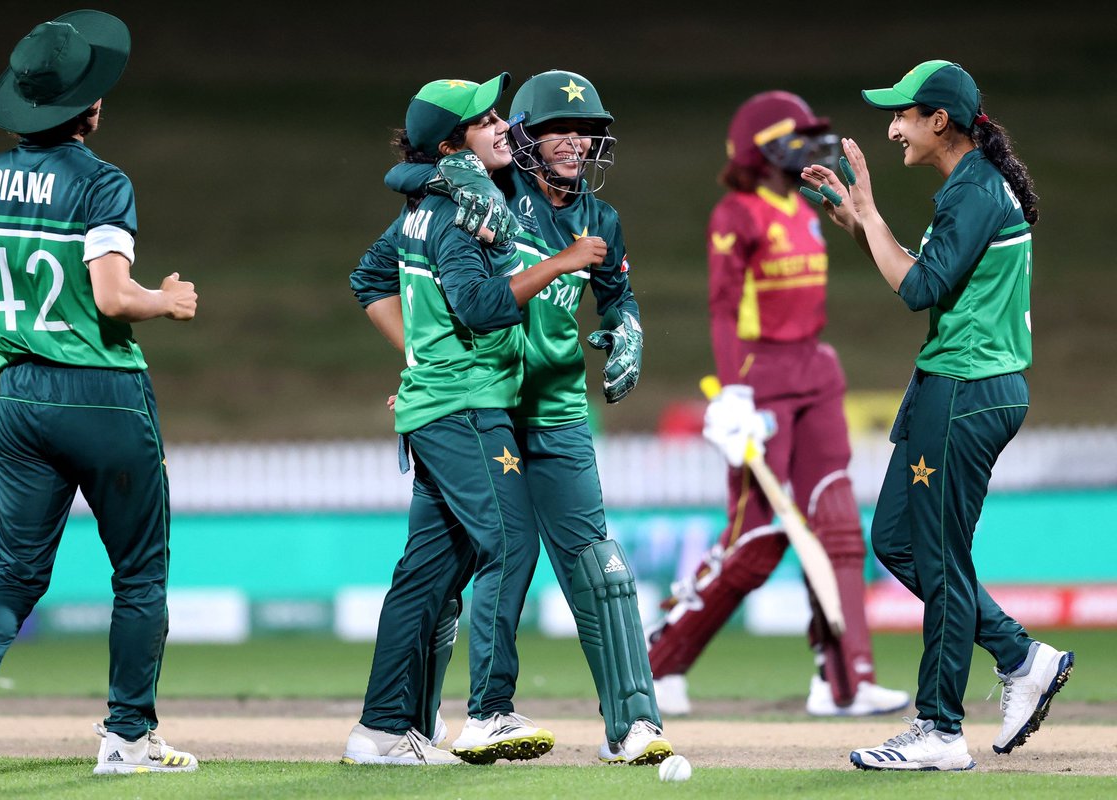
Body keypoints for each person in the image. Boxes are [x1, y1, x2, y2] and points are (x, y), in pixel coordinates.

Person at [0, 10, 198, 779]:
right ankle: (128, 740)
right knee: (139, 575)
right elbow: (114, 297)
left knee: (14, 572)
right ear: (91, 106)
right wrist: (164, 300)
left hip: (18, 397)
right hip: (104, 395)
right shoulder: (101, 181)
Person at [387, 69, 673, 766]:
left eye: (586, 130)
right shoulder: (489, 193)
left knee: (600, 566)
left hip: (557, 412)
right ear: (523, 139)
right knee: (466, 570)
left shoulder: (600, 220)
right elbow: (398, 213)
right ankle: (418, 727)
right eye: (557, 130)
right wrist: (420, 360)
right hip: (485, 412)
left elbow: (617, 296)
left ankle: (634, 726)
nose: (575, 141)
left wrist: (629, 327)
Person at [800, 59, 1073, 771]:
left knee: (942, 560)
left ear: (939, 121)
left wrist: (870, 212)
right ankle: (1020, 657)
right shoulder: (974, 184)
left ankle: (940, 730)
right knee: (898, 540)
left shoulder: (974, 190)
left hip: (966, 390)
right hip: (957, 388)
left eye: (902, 115)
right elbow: (929, 279)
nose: (892, 128)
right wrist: (858, 224)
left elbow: (919, 289)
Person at [343, 74, 608, 766]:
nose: (502, 126)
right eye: (484, 119)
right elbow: (481, 306)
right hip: (465, 408)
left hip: (442, 402)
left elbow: (369, 278)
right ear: (451, 141)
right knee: (509, 543)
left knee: (427, 575)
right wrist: (563, 262)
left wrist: (418, 359)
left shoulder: (430, 204)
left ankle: (379, 731)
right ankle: (489, 713)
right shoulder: (461, 210)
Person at [644, 91, 910, 720]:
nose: (810, 147)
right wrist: (733, 390)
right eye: (795, 137)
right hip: (761, 380)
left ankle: (847, 682)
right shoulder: (736, 214)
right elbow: (722, 306)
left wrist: (860, 215)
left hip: (816, 371)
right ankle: (655, 665)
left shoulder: (804, 210)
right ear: (760, 150)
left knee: (839, 524)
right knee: (757, 537)